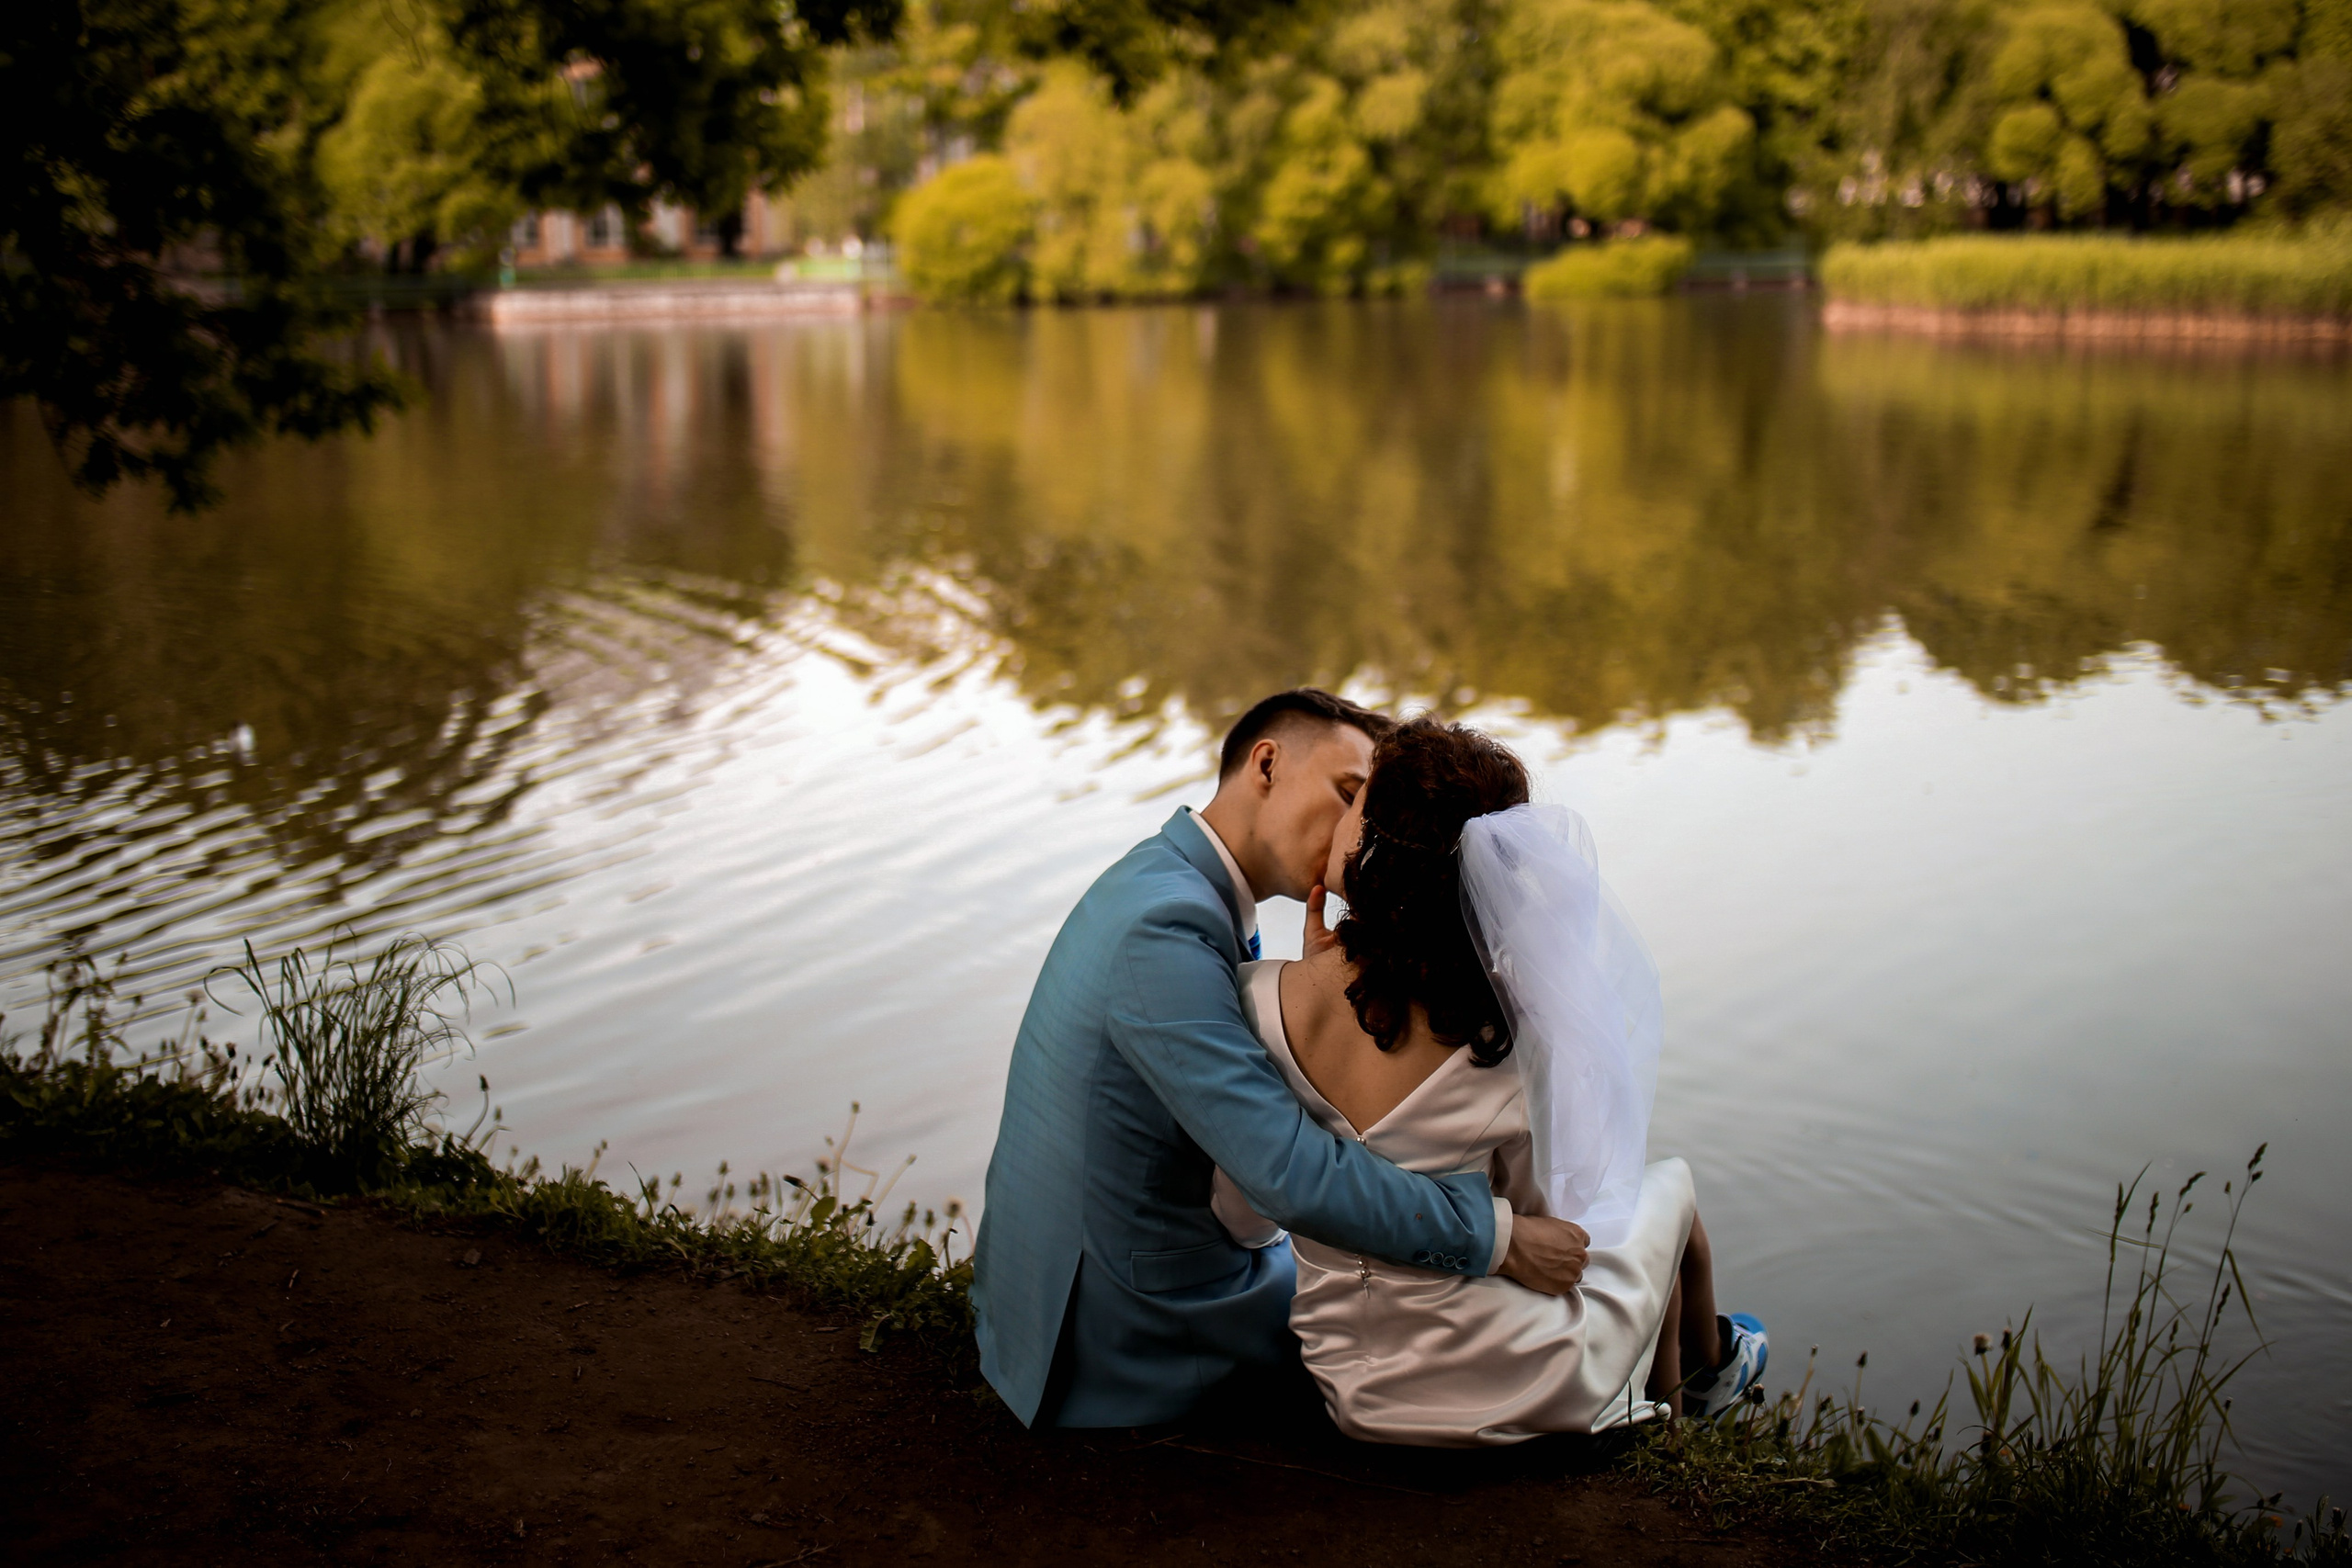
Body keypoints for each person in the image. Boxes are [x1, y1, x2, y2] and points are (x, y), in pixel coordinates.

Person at [972, 690, 1595, 1429]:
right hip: (1127, 1331)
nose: (1357, 829)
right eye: (1347, 792)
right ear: (1266, 763)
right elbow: (1287, 1173)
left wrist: (1325, 998)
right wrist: (1498, 1237)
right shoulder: (1161, 929)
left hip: (1116, 1273)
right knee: (1401, 1296)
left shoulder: (1170, 885)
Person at [1213, 714, 1767, 1443]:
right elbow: (1554, 1225)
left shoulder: (1253, 1004)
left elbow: (1244, 1218)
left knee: (1648, 1225)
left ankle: (1686, 1394)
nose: (1343, 816)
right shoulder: (1505, 1036)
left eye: (1358, 800)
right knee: (1672, 1191)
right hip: (1516, 1383)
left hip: (1356, 1388)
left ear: (1373, 843)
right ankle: (1687, 1407)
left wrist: (1313, 967)